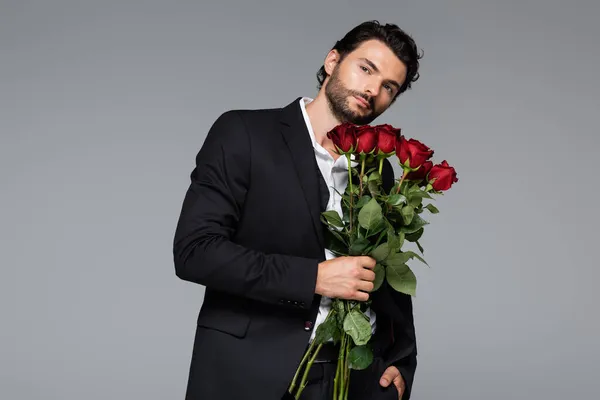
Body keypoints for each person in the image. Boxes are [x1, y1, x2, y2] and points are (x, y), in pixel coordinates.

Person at [172, 20, 422, 400]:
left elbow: (385, 273)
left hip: (355, 380)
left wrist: (401, 360)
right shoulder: (244, 133)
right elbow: (195, 252)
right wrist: (312, 278)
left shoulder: (379, 169)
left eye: (389, 86)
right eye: (366, 68)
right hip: (253, 375)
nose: (373, 90)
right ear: (333, 59)